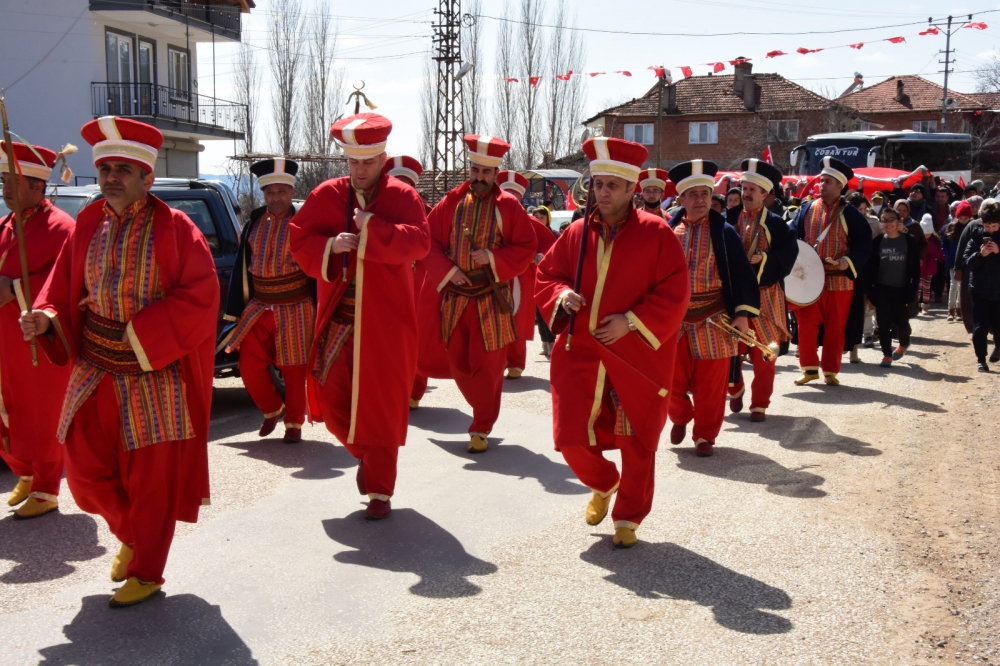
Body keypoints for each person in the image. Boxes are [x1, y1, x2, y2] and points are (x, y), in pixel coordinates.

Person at [19, 116, 218, 607]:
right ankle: (135, 535)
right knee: (83, 473)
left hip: (154, 374)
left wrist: (143, 334)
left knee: (151, 483)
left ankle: (148, 569)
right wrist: (45, 316)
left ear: (147, 178)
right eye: (105, 167)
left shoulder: (177, 229)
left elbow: (203, 294)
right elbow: (62, 285)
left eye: (123, 170)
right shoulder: (88, 222)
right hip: (95, 367)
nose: (111, 177)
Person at [535, 136, 688, 548]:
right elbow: (547, 276)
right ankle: (604, 483)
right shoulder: (576, 232)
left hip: (634, 355)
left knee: (635, 440)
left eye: (612, 186)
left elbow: (676, 291)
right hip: (581, 352)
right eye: (598, 184)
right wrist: (561, 296)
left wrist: (632, 322)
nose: (603, 193)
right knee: (569, 437)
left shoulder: (658, 233)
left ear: (630, 189)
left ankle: (629, 517)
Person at [289, 113, 430, 520]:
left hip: (388, 326)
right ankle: (366, 456)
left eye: (367, 163)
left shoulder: (403, 196)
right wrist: (332, 246)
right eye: (352, 163)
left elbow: (420, 243)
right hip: (340, 321)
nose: (359, 171)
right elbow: (300, 239)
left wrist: (372, 230)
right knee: (333, 406)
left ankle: (381, 493)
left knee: (383, 409)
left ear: (383, 159)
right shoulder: (327, 194)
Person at [418, 134, 536, 453]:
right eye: (474, 170)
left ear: (495, 173)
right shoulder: (451, 202)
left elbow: (527, 245)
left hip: (490, 298)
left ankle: (481, 425)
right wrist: (449, 270)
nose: (479, 177)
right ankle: (484, 407)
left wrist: (493, 258)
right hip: (456, 297)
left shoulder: (508, 206)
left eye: (485, 172)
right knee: (458, 363)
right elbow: (430, 241)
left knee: (486, 365)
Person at [0, 141, 74, 518]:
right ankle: (25, 472)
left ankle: (47, 487)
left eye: (12, 180)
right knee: (7, 411)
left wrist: (12, 288)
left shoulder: (62, 228)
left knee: (40, 411)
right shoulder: (6, 225)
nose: (5, 188)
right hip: (4, 340)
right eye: (2, 179)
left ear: (38, 185)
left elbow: (64, 280)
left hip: (37, 338)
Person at [667, 160, 760, 456]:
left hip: (714, 316)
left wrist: (742, 314)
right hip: (674, 318)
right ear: (681, 199)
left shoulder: (725, 232)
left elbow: (744, 275)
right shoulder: (667, 231)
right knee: (669, 379)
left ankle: (705, 435)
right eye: (693, 195)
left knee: (712, 384)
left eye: (705, 194)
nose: (699, 200)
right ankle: (681, 416)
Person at [219, 158, 313, 443]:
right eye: (270, 192)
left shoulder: (304, 222)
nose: (276, 197)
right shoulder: (253, 223)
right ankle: (272, 409)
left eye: (282, 191)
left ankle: (294, 423)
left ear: (290, 191)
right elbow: (241, 265)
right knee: (248, 365)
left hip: (296, 305)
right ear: (264, 194)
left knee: (295, 369)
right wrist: (235, 308)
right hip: (259, 305)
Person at [789, 157, 872, 386]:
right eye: (821, 180)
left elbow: (864, 244)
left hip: (839, 281)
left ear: (840, 186)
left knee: (836, 327)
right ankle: (809, 368)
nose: (821, 185)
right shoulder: (806, 209)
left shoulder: (851, 214)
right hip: (809, 279)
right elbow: (792, 237)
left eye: (827, 182)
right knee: (805, 323)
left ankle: (831, 371)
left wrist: (847, 261)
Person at [726, 159, 797, 421]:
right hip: (732, 296)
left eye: (752, 189)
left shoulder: (779, 225)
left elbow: (789, 257)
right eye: (744, 187)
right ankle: (735, 389)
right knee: (726, 351)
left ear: (765, 194)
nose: (745, 193)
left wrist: (764, 260)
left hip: (765, 295)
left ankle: (759, 404)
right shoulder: (727, 219)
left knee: (765, 353)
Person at [382, 155, 434, 410]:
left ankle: (414, 391)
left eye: (406, 185)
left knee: (416, 338)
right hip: (386, 286)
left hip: (419, 286)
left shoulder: (428, 215)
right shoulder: (378, 212)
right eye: (397, 183)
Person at [497, 170, 556, 376]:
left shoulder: (529, 221)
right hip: (493, 274)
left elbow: (549, 244)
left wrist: (540, 255)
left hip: (521, 277)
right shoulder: (487, 219)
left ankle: (515, 362)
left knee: (517, 318)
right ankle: (495, 361)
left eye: (515, 197)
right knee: (493, 317)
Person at [864, 208, 919, 368]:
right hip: (882, 289)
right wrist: (871, 292)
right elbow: (870, 268)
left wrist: (912, 290)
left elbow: (915, 269)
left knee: (902, 322)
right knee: (883, 324)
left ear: (898, 221)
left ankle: (904, 342)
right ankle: (887, 354)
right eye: (884, 220)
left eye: (891, 220)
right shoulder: (878, 242)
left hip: (902, 289)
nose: (887, 223)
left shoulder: (909, 240)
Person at [963, 199, 1000, 372]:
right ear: (982, 223)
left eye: (994, 226)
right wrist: (981, 254)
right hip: (979, 289)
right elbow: (968, 263)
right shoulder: (975, 238)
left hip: (998, 290)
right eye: (987, 226)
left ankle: (998, 348)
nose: (991, 230)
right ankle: (981, 359)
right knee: (980, 326)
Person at [943, 200, 973, 321]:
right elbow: (944, 242)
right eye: (961, 218)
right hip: (953, 261)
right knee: (954, 284)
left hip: (967, 261)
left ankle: (960, 309)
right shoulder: (951, 227)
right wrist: (947, 254)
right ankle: (950, 309)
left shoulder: (971, 227)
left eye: (966, 218)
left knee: (963, 286)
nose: (963, 220)